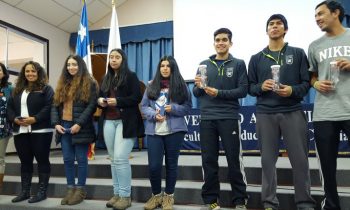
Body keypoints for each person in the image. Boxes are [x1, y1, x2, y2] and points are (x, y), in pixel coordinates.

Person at [247, 14, 316, 210]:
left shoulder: (298, 53)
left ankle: (304, 203)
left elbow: (306, 83)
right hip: (265, 114)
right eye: (271, 24)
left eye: (279, 24)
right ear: (266, 30)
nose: (275, 27)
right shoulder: (256, 58)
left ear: (285, 29)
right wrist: (262, 86)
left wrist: (292, 90)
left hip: (292, 111)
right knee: (267, 162)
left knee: (300, 161)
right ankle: (269, 203)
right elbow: (250, 88)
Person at [193, 28, 248, 210]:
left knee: (234, 161)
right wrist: (199, 86)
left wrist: (219, 93)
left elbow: (242, 91)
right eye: (217, 40)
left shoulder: (239, 64)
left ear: (230, 43)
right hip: (207, 118)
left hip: (228, 117)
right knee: (208, 160)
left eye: (224, 40)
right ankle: (210, 200)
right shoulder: (204, 64)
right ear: (214, 43)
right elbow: (196, 93)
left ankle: (240, 200)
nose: (221, 42)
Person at [308, 1, 350, 209]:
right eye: (315, 15)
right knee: (327, 165)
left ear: (336, 13)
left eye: (321, 14)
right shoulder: (315, 45)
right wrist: (316, 83)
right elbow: (311, 76)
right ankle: (332, 205)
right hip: (324, 113)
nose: (317, 18)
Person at [141, 56, 192, 210]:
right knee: (154, 166)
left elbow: (188, 107)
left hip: (174, 132)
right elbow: (144, 107)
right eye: (162, 65)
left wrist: (173, 108)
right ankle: (156, 196)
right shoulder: (150, 85)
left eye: (168, 66)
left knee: (171, 165)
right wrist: (153, 114)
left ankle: (169, 197)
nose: (164, 68)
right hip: (154, 132)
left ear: (173, 68)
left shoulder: (181, 86)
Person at [97, 48, 144, 210]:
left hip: (126, 122)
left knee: (120, 158)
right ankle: (116, 193)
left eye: (117, 57)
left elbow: (136, 97)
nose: (113, 60)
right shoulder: (106, 78)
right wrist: (101, 101)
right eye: (111, 57)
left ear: (123, 60)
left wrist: (117, 101)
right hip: (109, 121)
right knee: (113, 159)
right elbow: (99, 97)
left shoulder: (131, 76)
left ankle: (125, 196)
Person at [51, 55, 98, 205]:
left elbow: (91, 106)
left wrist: (79, 124)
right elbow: (54, 106)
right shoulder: (62, 83)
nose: (71, 67)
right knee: (67, 159)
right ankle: (70, 188)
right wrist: (56, 123)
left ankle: (80, 190)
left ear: (81, 66)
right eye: (69, 65)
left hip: (80, 127)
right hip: (63, 126)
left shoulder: (89, 82)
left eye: (75, 64)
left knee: (81, 160)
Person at [7, 61, 54, 203]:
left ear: (39, 73)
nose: (30, 74)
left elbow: (49, 106)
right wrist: (14, 119)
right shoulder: (17, 89)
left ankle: (41, 192)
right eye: (27, 71)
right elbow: (10, 108)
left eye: (33, 71)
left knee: (42, 161)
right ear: (23, 73)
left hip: (41, 130)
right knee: (25, 162)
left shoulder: (46, 89)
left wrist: (35, 119)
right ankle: (25, 192)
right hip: (20, 131)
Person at [0, 63, 13, 191]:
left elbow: (14, 107)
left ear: (3, 73)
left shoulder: (9, 89)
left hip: (3, 128)